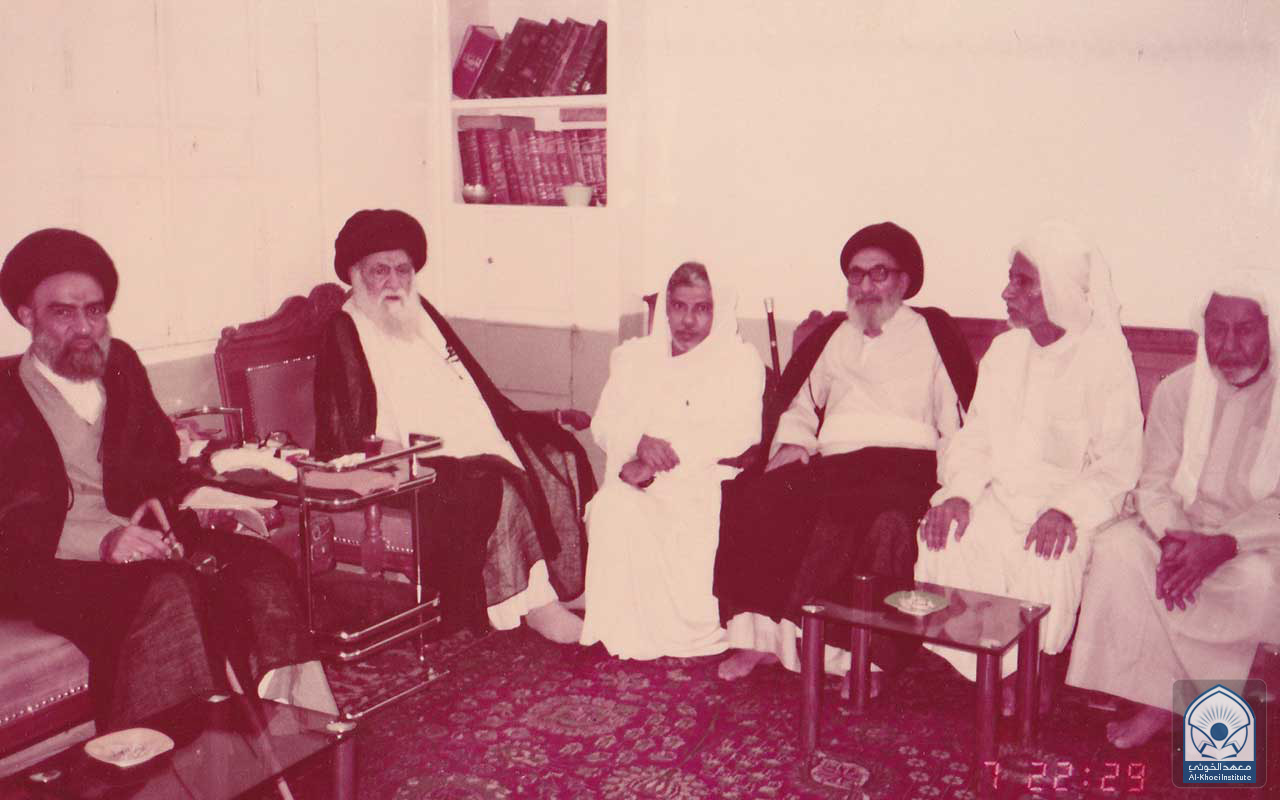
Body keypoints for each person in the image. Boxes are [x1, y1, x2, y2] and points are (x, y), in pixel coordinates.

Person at [0, 228, 335, 730]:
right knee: (169, 592)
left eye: (95, 311)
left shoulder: (120, 364)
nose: (85, 328)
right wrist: (104, 542)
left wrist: (196, 504)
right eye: (63, 313)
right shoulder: (5, 396)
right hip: (49, 564)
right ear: (27, 316)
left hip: (145, 542)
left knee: (262, 570)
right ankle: (169, 757)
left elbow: (159, 465)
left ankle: (293, 733)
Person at [313, 209, 595, 643]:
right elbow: (345, 430)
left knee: (560, 453)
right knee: (497, 481)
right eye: (380, 270)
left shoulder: (418, 312)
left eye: (403, 269)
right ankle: (533, 605)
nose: (394, 281)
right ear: (355, 274)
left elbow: (472, 384)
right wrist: (396, 453)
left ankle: (562, 586)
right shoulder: (345, 328)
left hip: (470, 436)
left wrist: (523, 423)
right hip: (409, 458)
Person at [715, 221, 977, 681]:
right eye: (856, 274)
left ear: (904, 281)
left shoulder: (930, 333)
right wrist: (793, 444)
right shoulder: (835, 335)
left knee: (864, 519)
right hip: (835, 463)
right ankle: (763, 641)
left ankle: (860, 660)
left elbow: (954, 424)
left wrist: (954, 489)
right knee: (758, 495)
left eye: (879, 273)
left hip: (904, 466)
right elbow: (801, 401)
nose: (866, 285)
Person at [916, 221, 1143, 707]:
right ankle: (986, 666)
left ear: (1060, 288)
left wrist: (1066, 510)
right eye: (1011, 279)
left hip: (1071, 505)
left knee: (1048, 554)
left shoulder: (1103, 358)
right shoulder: (1004, 350)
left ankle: (1034, 672)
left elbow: (1117, 462)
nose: (1007, 292)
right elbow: (975, 436)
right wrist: (959, 494)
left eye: (1023, 282)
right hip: (1000, 494)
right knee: (947, 534)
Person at [1067, 270, 1280, 748]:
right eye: (1217, 329)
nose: (1230, 344)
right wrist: (1176, 542)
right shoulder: (1179, 390)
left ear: (1270, 329)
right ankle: (1162, 696)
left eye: (1245, 329)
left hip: (1259, 545)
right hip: (1180, 536)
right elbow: (1156, 482)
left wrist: (1224, 544)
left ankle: (1185, 705)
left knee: (1258, 584)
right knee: (1118, 550)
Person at [580, 262, 764, 659]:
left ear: (718, 310)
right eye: (679, 306)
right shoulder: (634, 357)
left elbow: (742, 433)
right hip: (637, 479)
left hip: (703, 483)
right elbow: (604, 423)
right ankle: (619, 632)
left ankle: (688, 635)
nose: (688, 321)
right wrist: (637, 441)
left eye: (701, 308)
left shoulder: (739, 361)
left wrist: (661, 458)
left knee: (696, 529)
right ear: (666, 308)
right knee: (611, 507)